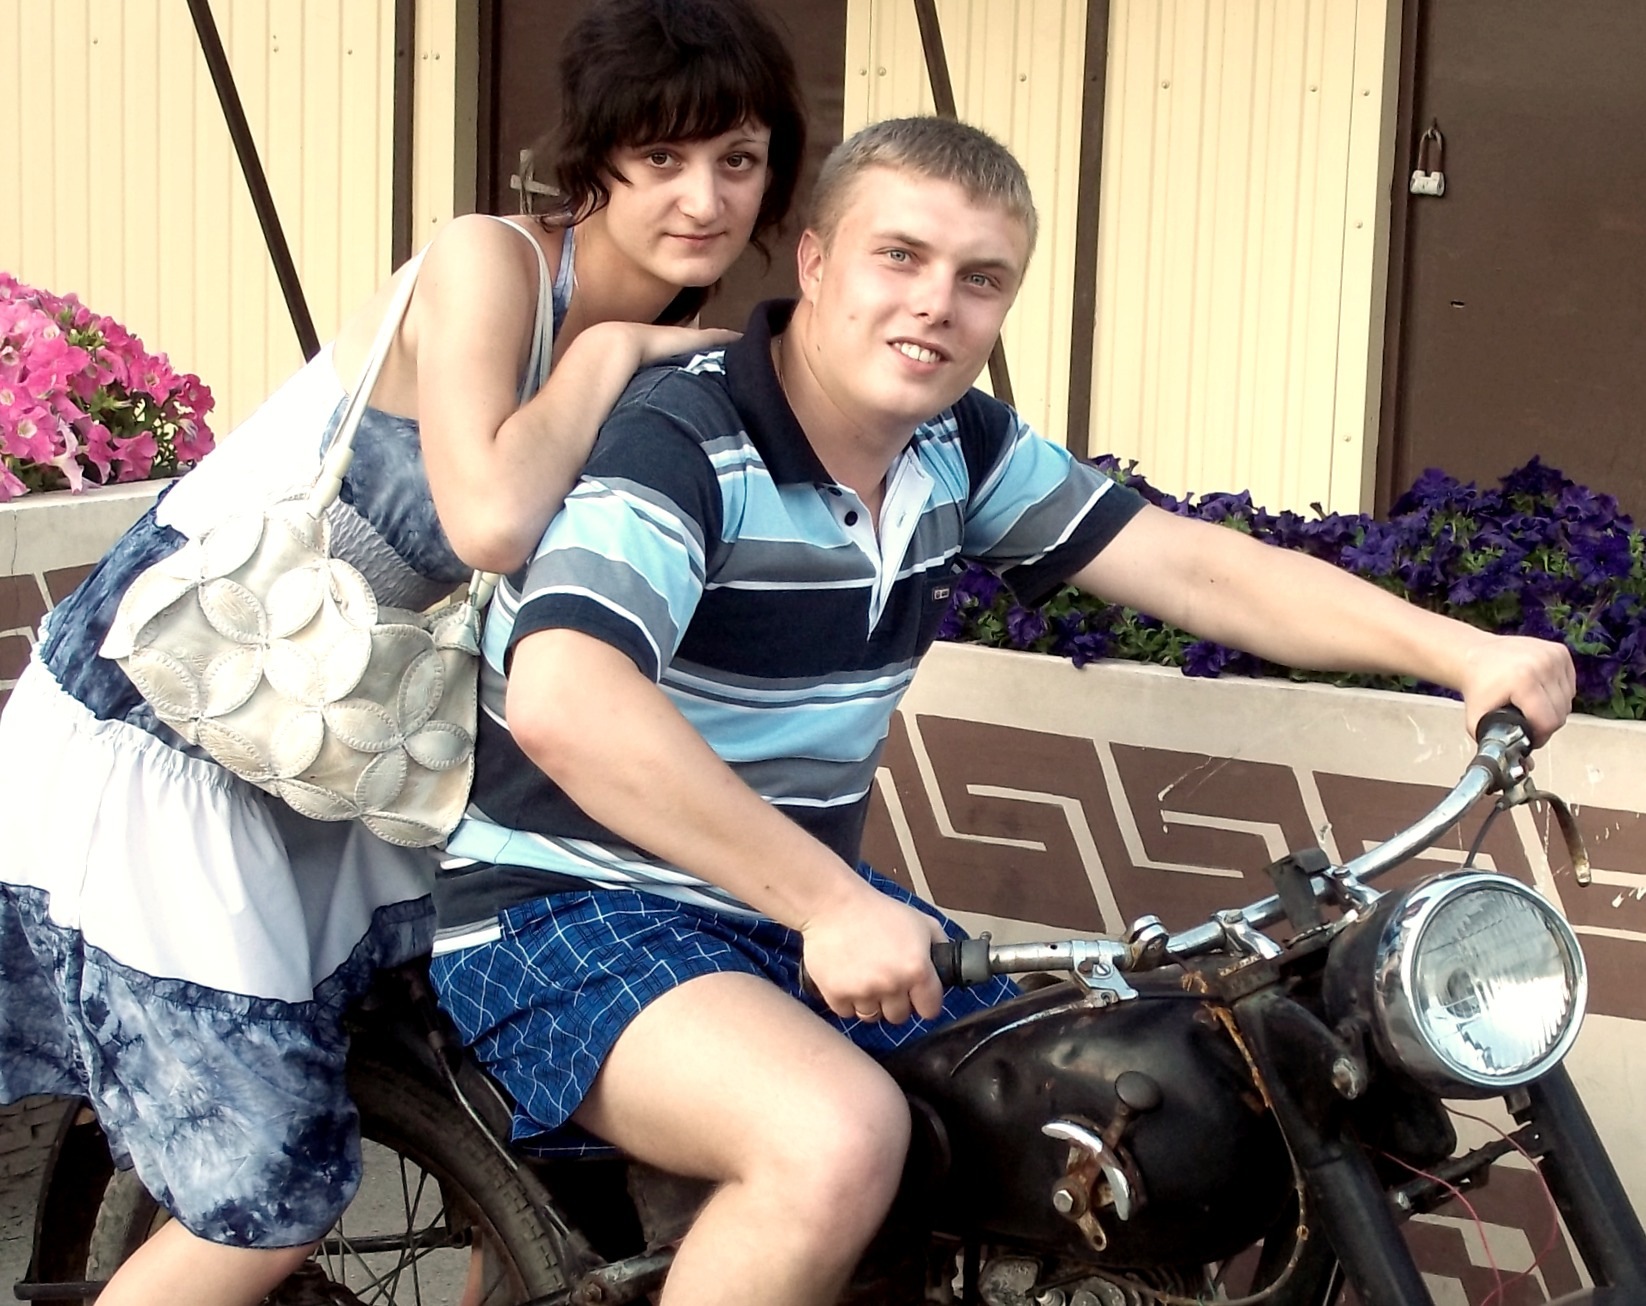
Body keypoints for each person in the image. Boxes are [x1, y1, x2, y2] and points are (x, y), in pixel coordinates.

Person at [428, 116, 1576, 1306]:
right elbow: (565, 695)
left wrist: (1462, 651)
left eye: (980, 279)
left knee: (1091, 1091)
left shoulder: (954, 445)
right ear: (814, 260)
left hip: (781, 908)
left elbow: (1191, 568)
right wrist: (830, 901)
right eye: (899, 256)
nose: (935, 303)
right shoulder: (685, 436)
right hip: (564, 908)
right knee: (833, 1139)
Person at [0, 1, 805, 1302]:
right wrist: (611, 354)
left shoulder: (675, 341)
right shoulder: (490, 264)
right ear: (594, 158)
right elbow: (490, 517)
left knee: (513, 1088)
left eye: (737, 159)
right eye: (660, 157)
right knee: (264, 1202)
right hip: (174, 728)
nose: (702, 198)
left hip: (350, 756)